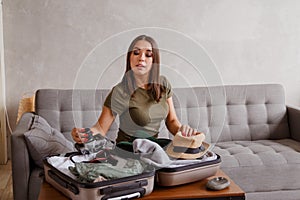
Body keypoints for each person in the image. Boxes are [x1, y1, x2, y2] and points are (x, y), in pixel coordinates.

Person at [71, 35, 200, 144]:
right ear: (130, 58)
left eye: (148, 54)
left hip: (152, 151)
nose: (142, 58)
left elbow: (172, 121)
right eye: (136, 53)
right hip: (128, 151)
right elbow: (100, 129)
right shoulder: (120, 91)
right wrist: (83, 134)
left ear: (154, 60)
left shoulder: (163, 84)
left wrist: (183, 130)